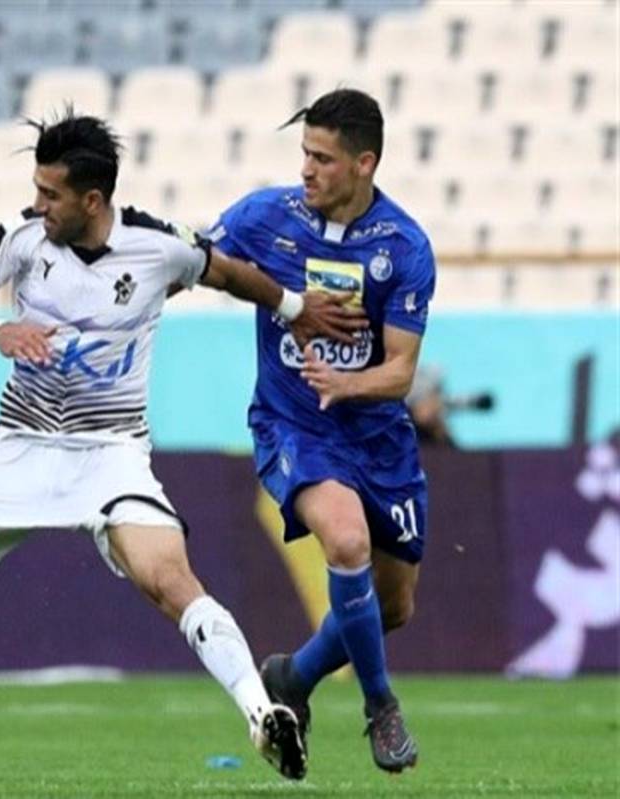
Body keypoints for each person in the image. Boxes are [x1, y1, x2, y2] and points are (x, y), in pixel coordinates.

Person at [0, 112, 365, 781]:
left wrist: (294, 307)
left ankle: (263, 714)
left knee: (171, 580)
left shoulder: (159, 247)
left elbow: (232, 276)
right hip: (21, 446)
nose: (38, 204)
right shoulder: (20, 238)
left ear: (92, 200)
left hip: (110, 454)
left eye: (51, 193)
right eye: (36, 189)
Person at [206, 88, 435, 773]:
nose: (306, 169)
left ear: (365, 163)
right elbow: (203, 262)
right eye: (304, 153)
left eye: (323, 158)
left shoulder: (404, 246)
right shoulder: (264, 217)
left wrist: (347, 383)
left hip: (378, 438)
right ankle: (381, 707)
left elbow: (400, 371)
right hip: (294, 425)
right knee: (346, 538)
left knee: (394, 605)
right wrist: (280, 300)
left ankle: (293, 677)